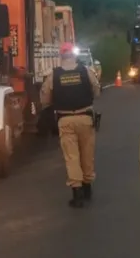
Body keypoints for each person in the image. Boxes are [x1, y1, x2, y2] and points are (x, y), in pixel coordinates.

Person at [40, 42, 101, 208]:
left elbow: (45, 98)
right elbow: (96, 89)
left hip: (65, 120)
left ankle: (77, 193)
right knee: (87, 153)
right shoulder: (85, 71)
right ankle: (88, 187)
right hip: (85, 117)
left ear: (61, 57)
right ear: (74, 56)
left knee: (72, 156)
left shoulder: (54, 75)